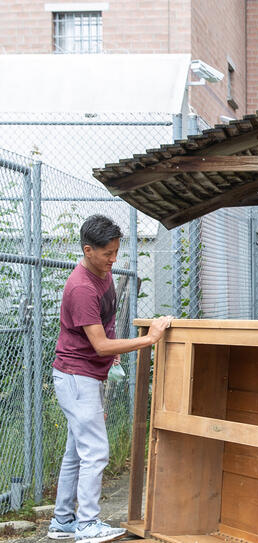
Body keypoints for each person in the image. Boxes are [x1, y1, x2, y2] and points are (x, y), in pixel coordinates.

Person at [48, 215, 173, 543]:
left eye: (117, 251)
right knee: (97, 451)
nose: (113, 259)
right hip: (76, 377)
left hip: (88, 375)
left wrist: (113, 362)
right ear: (88, 251)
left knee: (77, 451)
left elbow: (108, 326)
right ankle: (87, 525)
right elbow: (100, 344)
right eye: (107, 253)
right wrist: (149, 339)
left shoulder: (102, 275)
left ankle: (63, 522)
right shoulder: (81, 288)